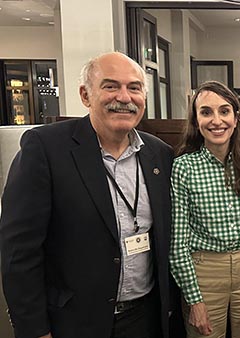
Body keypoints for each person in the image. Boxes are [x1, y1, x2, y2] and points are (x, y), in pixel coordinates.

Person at [0, 52, 175, 338]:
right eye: (110, 86)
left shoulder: (159, 155)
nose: (124, 97)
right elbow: (19, 252)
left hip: (145, 319)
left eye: (134, 87)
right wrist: (34, 329)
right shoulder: (45, 148)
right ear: (85, 95)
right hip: (73, 322)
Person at [169, 81, 240, 338]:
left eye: (224, 111)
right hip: (204, 273)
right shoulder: (184, 168)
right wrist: (194, 299)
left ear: (236, 117)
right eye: (206, 112)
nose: (216, 120)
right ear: (196, 121)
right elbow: (178, 242)